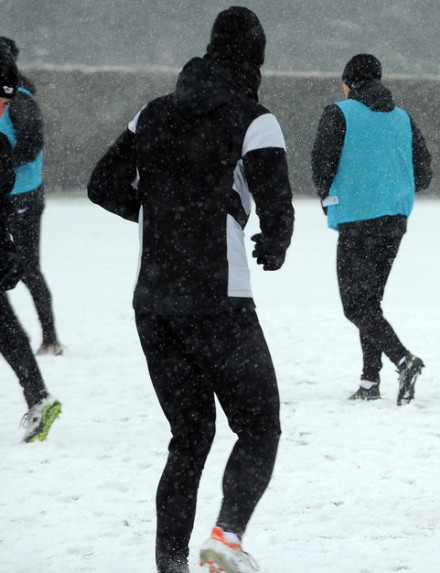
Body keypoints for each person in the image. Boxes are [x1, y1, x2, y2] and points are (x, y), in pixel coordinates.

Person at [87, 7, 293, 573]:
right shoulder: (255, 119)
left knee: (189, 436)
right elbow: (277, 210)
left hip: (153, 304)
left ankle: (169, 562)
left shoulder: (150, 114)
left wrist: (160, 216)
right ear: (254, 59)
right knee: (259, 424)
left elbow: (101, 185)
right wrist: (272, 246)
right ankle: (226, 538)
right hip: (218, 300)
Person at [311, 53, 432, 404]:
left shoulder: (340, 113)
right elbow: (423, 172)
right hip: (394, 219)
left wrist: (329, 197)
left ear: (349, 82)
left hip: (357, 219)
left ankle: (404, 359)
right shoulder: (403, 119)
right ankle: (369, 382)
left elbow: (322, 163)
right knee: (370, 302)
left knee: (355, 305)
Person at [0, 45, 61, 442]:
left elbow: (31, 146)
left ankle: (49, 343)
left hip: (25, 201)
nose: (3, 109)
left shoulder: (21, 109)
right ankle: (39, 397)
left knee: (28, 274)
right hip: (17, 203)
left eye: (6, 101)